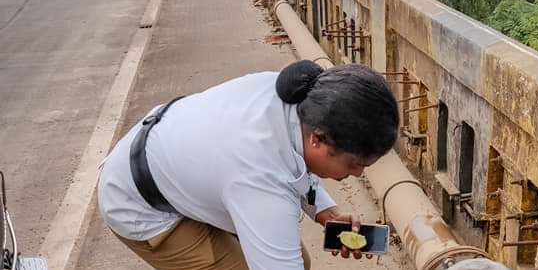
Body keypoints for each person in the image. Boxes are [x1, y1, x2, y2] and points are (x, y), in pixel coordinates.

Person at [97, 60, 399, 270]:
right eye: (355, 163)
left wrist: (326, 212)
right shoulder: (260, 185)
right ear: (318, 139)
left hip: (176, 158)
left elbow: (292, 158)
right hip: (138, 202)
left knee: (298, 260)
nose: (358, 173)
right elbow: (266, 177)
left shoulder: (299, 97)